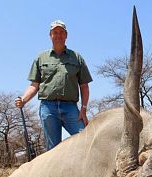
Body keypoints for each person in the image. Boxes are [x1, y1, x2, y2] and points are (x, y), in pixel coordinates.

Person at [15, 20, 93, 150]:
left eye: (61, 32)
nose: (58, 35)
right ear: (50, 35)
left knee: (86, 141)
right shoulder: (41, 57)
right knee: (53, 149)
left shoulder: (76, 57)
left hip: (71, 108)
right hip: (48, 108)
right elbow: (34, 85)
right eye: (55, 32)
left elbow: (84, 86)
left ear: (66, 35)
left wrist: (84, 109)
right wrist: (24, 99)